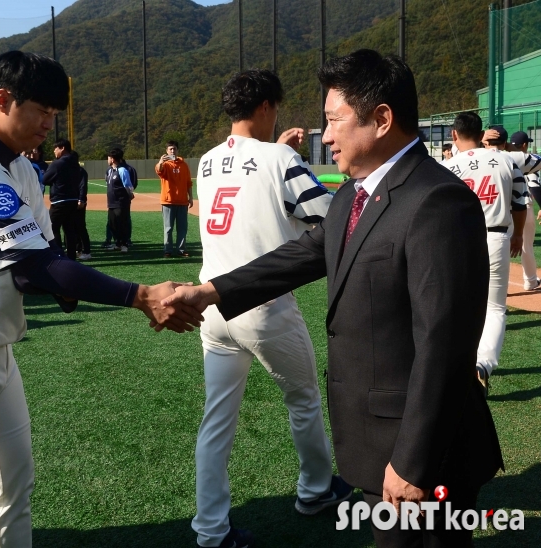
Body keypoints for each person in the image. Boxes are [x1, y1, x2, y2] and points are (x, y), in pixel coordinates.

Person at [163, 49, 503, 548]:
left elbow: (445, 346)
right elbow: (301, 255)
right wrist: (210, 291)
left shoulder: (437, 201)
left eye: (334, 120)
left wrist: (412, 462)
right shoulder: (353, 192)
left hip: (424, 455)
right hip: (375, 443)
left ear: (381, 119)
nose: (325, 135)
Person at [0, 51, 201, 548]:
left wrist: (66, 283)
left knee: (14, 490)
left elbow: (46, 255)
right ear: (3, 99)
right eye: (42, 110)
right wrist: (140, 295)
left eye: (55, 114)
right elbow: (35, 265)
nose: (50, 123)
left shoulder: (19, 167)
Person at [191, 69, 350, 548]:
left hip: (212, 304)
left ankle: (210, 530)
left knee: (216, 420)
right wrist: (288, 157)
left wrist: (281, 154)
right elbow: (328, 216)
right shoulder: (280, 157)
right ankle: (316, 490)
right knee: (302, 400)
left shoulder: (207, 159)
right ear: (265, 107)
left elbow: (250, 188)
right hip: (262, 304)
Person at [442, 113, 526, 396]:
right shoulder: (507, 160)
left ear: (454, 135)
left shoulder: (447, 166)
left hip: (458, 239)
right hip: (496, 236)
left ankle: (448, 365)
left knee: (455, 304)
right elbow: (520, 202)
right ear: (483, 134)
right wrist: (517, 235)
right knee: (494, 308)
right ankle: (482, 366)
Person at [43, 139, 91, 260]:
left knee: (52, 228)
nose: (54, 150)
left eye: (56, 148)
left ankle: (58, 254)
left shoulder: (57, 163)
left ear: (62, 148)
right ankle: (71, 257)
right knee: (70, 230)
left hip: (59, 201)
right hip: (73, 201)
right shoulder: (76, 165)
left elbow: (45, 180)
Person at [509, 131, 541, 290]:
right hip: (524, 208)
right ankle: (530, 281)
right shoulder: (527, 161)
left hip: (501, 209)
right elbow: (534, 186)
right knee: (526, 246)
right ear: (524, 145)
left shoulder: (502, 158)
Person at [155, 140, 193, 257]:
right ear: (166, 151)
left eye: (174, 148)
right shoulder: (165, 165)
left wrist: (190, 197)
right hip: (168, 201)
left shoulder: (184, 165)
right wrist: (161, 162)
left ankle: (181, 249)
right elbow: (159, 170)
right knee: (168, 228)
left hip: (182, 201)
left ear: (178, 150)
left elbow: (188, 183)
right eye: (170, 149)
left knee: (182, 228)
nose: (173, 151)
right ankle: (168, 250)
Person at [105, 147, 133, 253]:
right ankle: (117, 243)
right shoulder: (109, 171)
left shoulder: (122, 170)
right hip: (111, 203)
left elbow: (128, 185)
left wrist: (129, 195)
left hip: (121, 202)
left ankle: (124, 244)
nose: (107, 160)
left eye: (108, 157)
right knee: (113, 224)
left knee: (122, 223)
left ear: (112, 159)